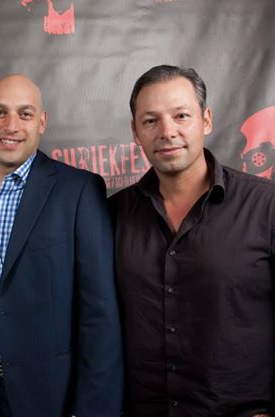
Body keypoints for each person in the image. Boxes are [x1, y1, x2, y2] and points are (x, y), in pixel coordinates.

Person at [0, 74, 123, 417]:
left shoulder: (78, 191)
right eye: (0, 112)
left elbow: (100, 317)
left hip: (51, 397)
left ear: (42, 122)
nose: (11, 125)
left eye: (25, 114)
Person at [110, 64, 275, 417]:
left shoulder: (266, 206)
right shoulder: (112, 214)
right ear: (136, 133)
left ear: (206, 120)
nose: (167, 132)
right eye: (151, 121)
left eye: (181, 116)